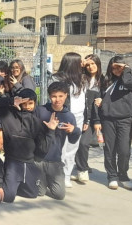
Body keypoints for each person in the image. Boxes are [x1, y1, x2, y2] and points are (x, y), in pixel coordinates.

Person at [0, 88, 52, 202]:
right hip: (12, 162)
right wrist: (11, 101)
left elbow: (43, 148)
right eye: (23, 103)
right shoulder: (8, 114)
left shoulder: (37, 122)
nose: (27, 106)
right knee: (8, 197)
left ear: (35, 104)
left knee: (33, 194)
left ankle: (15, 183)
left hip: (29, 163)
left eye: (30, 103)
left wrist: (51, 131)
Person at [94, 56, 132, 190]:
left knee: (124, 150)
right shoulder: (106, 81)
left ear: (125, 67)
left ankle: (123, 175)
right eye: (113, 67)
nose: (116, 70)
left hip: (125, 120)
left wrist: (125, 70)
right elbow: (98, 100)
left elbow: (126, 81)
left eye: (119, 66)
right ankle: (112, 176)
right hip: (108, 119)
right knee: (110, 150)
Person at [34, 85, 80, 200]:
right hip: (38, 159)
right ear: (49, 96)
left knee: (59, 195)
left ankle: (50, 178)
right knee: (39, 192)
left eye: (60, 96)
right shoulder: (41, 111)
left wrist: (74, 131)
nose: (57, 99)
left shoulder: (69, 116)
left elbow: (73, 140)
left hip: (55, 160)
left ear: (66, 96)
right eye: (54, 96)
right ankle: (41, 178)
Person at [50, 52, 88, 188]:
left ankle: (66, 175)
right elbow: (53, 98)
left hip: (79, 117)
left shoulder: (82, 79)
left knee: (73, 148)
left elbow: (85, 101)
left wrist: (86, 120)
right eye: (80, 62)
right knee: (61, 148)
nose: (83, 64)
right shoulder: (57, 79)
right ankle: (57, 176)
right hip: (64, 116)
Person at [72, 54, 103, 183]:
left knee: (84, 143)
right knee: (81, 143)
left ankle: (83, 167)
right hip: (84, 116)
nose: (90, 67)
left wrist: (103, 100)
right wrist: (81, 63)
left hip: (97, 118)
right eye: (88, 64)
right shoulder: (82, 78)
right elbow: (71, 72)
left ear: (98, 64)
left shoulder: (104, 80)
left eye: (93, 64)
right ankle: (82, 169)